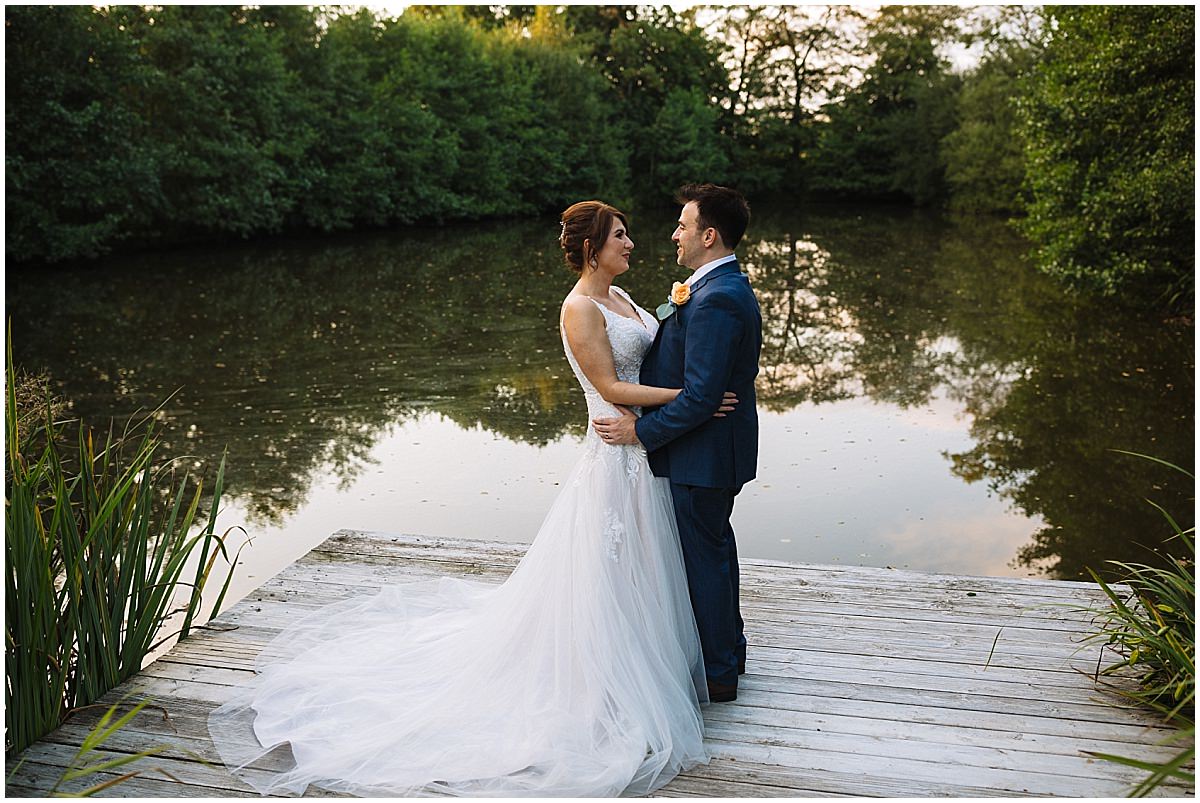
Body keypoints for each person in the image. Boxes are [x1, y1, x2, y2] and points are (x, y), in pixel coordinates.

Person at [207, 200, 734, 797]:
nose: (632, 243)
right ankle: (605, 680)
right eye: (620, 236)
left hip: (643, 452)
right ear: (592, 248)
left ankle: (655, 665)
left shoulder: (626, 300)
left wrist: (681, 311)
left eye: (629, 234)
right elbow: (610, 385)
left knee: (647, 567)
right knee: (608, 571)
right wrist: (691, 396)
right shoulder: (579, 308)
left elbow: (651, 338)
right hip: (615, 452)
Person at [593, 183, 761, 703]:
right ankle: (728, 649)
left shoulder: (717, 300)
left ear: (709, 236)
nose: (675, 234)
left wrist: (639, 431)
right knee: (714, 551)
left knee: (704, 559)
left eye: (684, 226)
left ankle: (720, 673)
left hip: (702, 455)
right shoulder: (715, 288)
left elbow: (700, 398)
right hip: (707, 451)